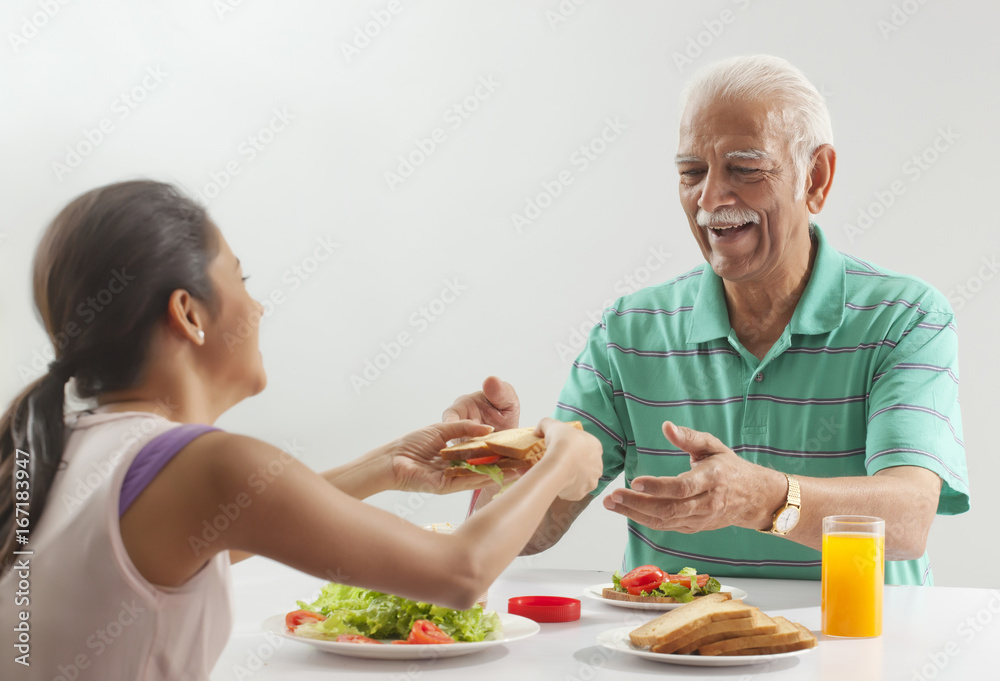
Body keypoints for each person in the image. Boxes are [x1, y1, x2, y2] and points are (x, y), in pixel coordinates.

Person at [0, 180, 603, 681]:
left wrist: (392, 465)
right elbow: (459, 574)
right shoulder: (205, 464)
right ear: (188, 313)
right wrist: (560, 461)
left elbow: (226, 527)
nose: (258, 308)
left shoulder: (57, 449)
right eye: (241, 278)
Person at [448, 55, 969, 586]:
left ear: (816, 177)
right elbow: (534, 531)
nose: (711, 198)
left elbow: (908, 520)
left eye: (744, 170)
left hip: (855, 644)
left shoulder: (905, 317)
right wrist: (500, 464)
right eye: (692, 173)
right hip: (672, 649)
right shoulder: (629, 329)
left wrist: (759, 498)